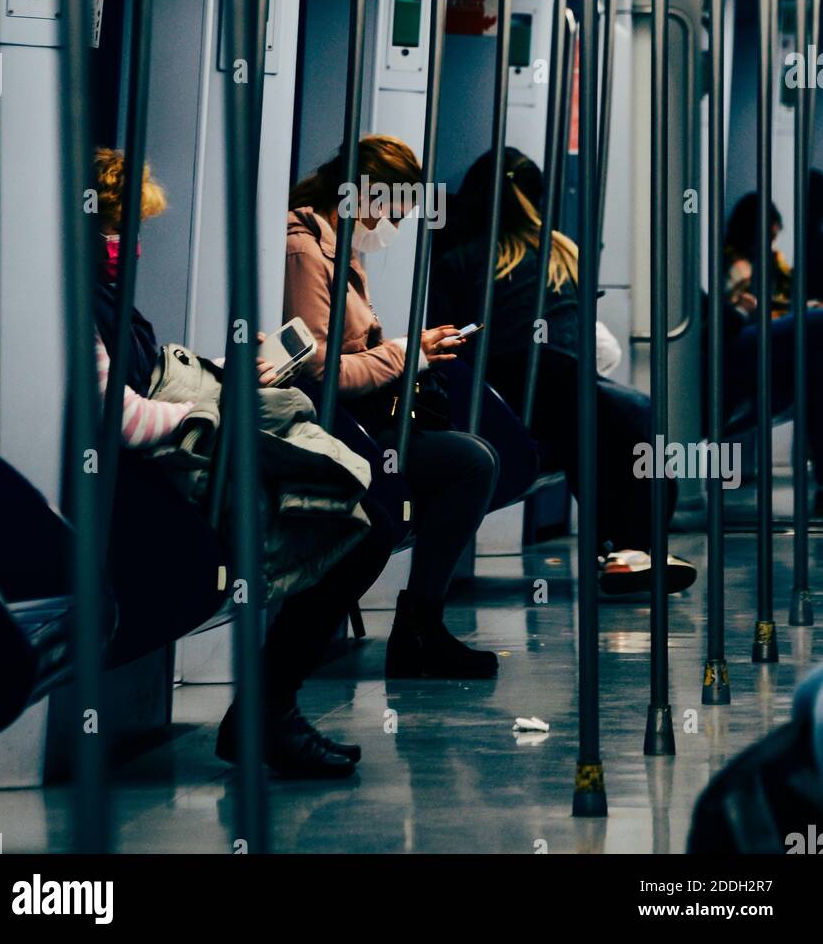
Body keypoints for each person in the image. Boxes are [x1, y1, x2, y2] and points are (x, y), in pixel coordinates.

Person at [92, 147, 396, 780]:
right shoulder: (72, 309)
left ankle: (266, 710)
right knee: (356, 529)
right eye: (114, 228)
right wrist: (214, 415)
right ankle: (266, 713)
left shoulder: (103, 296)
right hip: (170, 469)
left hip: (192, 445)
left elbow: (146, 378)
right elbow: (123, 419)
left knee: (365, 518)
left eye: (131, 229)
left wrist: (228, 375)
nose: (127, 244)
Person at [430, 147, 697, 597]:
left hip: (500, 390)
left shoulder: (461, 256)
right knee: (626, 418)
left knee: (603, 429)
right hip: (547, 379)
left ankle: (626, 547)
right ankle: (630, 546)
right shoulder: (559, 249)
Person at [284, 135, 501, 678]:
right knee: (469, 463)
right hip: (327, 427)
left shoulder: (338, 247)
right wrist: (409, 355)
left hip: (361, 419)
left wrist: (411, 351)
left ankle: (422, 624)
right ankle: (417, 629)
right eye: (392, 214)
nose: (394, 230)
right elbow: (321, 373)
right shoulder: (305, 253)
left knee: (472, 454)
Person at [718, 187, 823, 494]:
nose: (772, 243)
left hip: (769, 336)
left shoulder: (771, 260)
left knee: (814, 375)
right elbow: (747, 302)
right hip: (744, 336)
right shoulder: (735, 262)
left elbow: (787, 296)